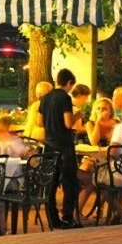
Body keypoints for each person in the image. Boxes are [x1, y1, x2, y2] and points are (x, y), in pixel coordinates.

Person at [37, 69, 79, 229]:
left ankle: (53, 218)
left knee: (51, 183)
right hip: (64, 146)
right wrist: (78, 116)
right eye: (71, 85)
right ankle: (68, 218)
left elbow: (40, 122)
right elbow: (68, 123)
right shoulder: (65, 98)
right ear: (68, 82)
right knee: (70, 183)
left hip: (49, 145)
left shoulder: (45, 97)